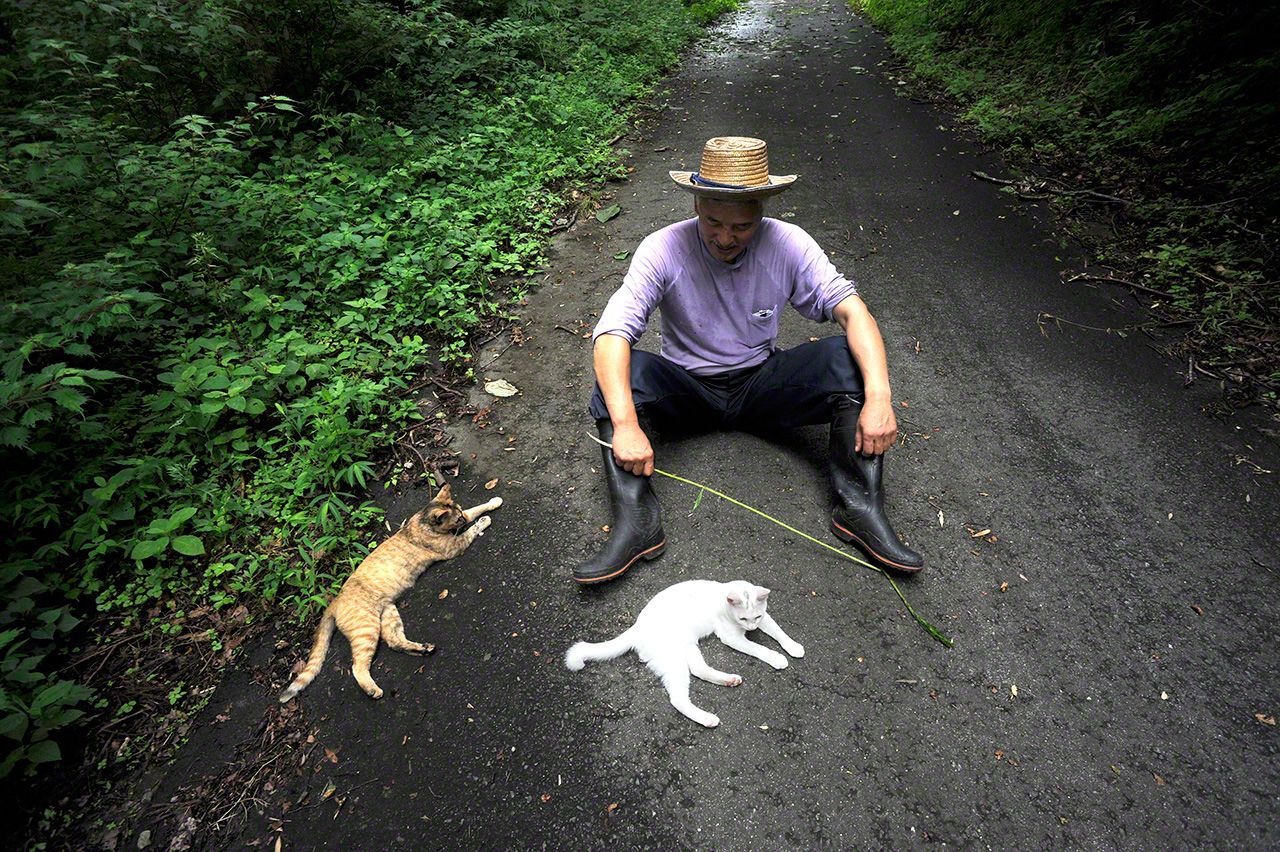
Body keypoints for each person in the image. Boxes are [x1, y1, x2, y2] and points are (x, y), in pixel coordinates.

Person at [575, 136, 922, 584]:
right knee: (618, 379)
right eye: (712, 221)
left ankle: (858, 508)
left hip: (760, 385)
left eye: (740, 226)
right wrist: (625, 426)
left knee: (846, 359)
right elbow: (610, 335)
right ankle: (637, 523)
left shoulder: (788, 242)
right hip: (688, 387)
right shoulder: (662, 248)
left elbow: (853, 311)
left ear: (761, 209)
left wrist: (879, 398)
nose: (725, 237)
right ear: (696, 203)